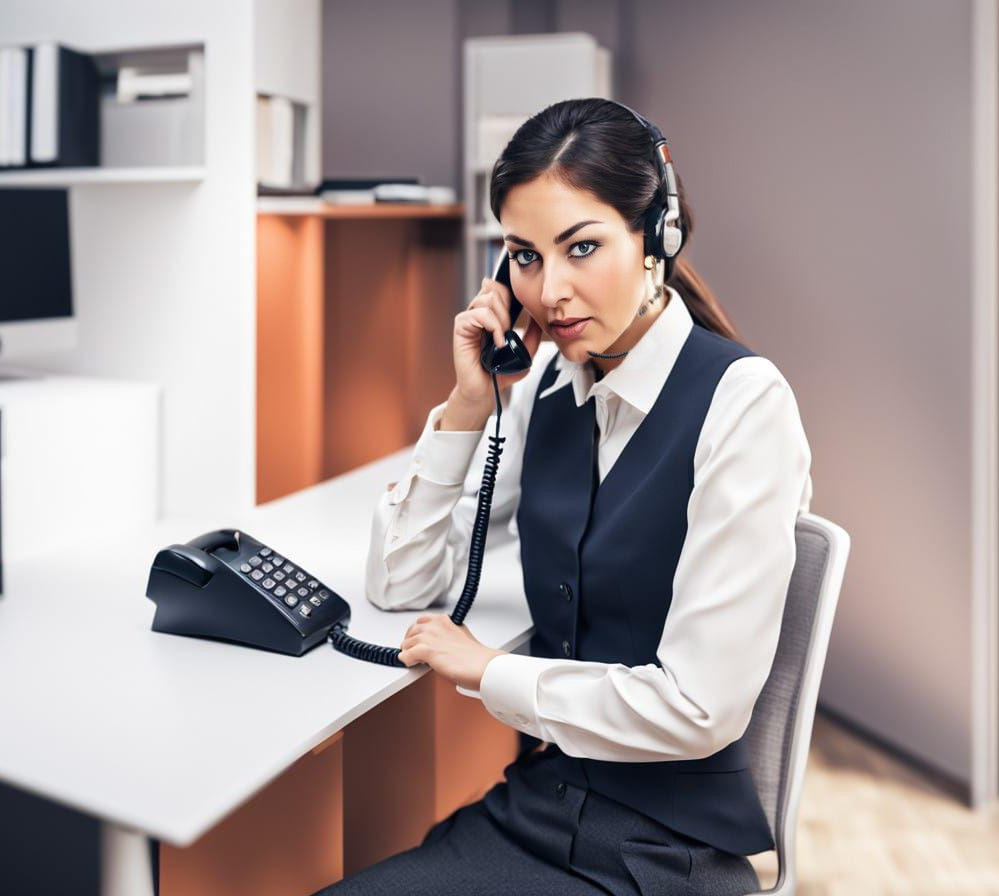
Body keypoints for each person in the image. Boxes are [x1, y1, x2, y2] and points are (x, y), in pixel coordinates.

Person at [314, 97, 812, 896]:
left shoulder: (744, 403)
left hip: (661, 852)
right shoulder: (551, 379)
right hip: (543, 804)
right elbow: (401, 583)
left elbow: (699, 709)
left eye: (582, 247)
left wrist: (486, 672)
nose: (550, 291)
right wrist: (468, 405)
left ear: (658, 239)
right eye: (524, 255)